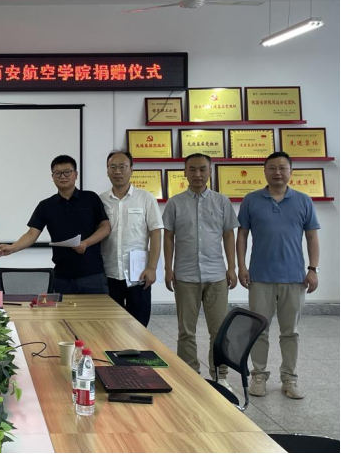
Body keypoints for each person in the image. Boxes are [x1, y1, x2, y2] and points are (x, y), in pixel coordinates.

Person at [237, 151, 320, 400]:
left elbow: (312, 236)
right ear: (264, 171)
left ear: (290, 172)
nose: (277, 172)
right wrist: (241, 266)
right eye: (272, 168)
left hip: (294, 278)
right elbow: (242, 235)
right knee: (259, 330)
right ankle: (258, 376)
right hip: (260, 277)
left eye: (283, 168)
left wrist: (313, 269)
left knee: (290, 332)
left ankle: (290, 379)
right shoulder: (251, 200)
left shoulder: (303, 201)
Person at [163, 153, 239, 390]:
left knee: (219, 330)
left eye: (202, 169)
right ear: (185, 172)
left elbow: (228, 235)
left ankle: (220, 375)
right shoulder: (175, 203)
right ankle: (189, 374)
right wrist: (168, 268)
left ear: (209, 171)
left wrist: (232, 267)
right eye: (192, 169)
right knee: (186, 331)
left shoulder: (221, 201)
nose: (197, 174)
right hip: (185, 276)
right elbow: (168, 236)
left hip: (216, 275)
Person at [1, 155, 110, 294]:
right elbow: (32, 234)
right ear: (52, 177)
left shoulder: (90, 198)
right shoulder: (46, 205)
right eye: (58, 173)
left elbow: (105, 227)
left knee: (99, 309)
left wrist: (86, 243)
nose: (62, 176)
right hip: (62, 276)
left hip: (93, 274)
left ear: (76, 175)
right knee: (63, 309)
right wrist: (12, 248)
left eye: (67, 172)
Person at [100, 151, 163, 327]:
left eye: (122, 167)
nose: (117, 171)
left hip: (138, 274)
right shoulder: (101, 200)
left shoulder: (145, 198)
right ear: (107, 171)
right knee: (111, 325)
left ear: (131, 169)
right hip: (109, 272)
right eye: (113, 167)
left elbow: (156, 233)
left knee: (139, 326)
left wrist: (152, 267)